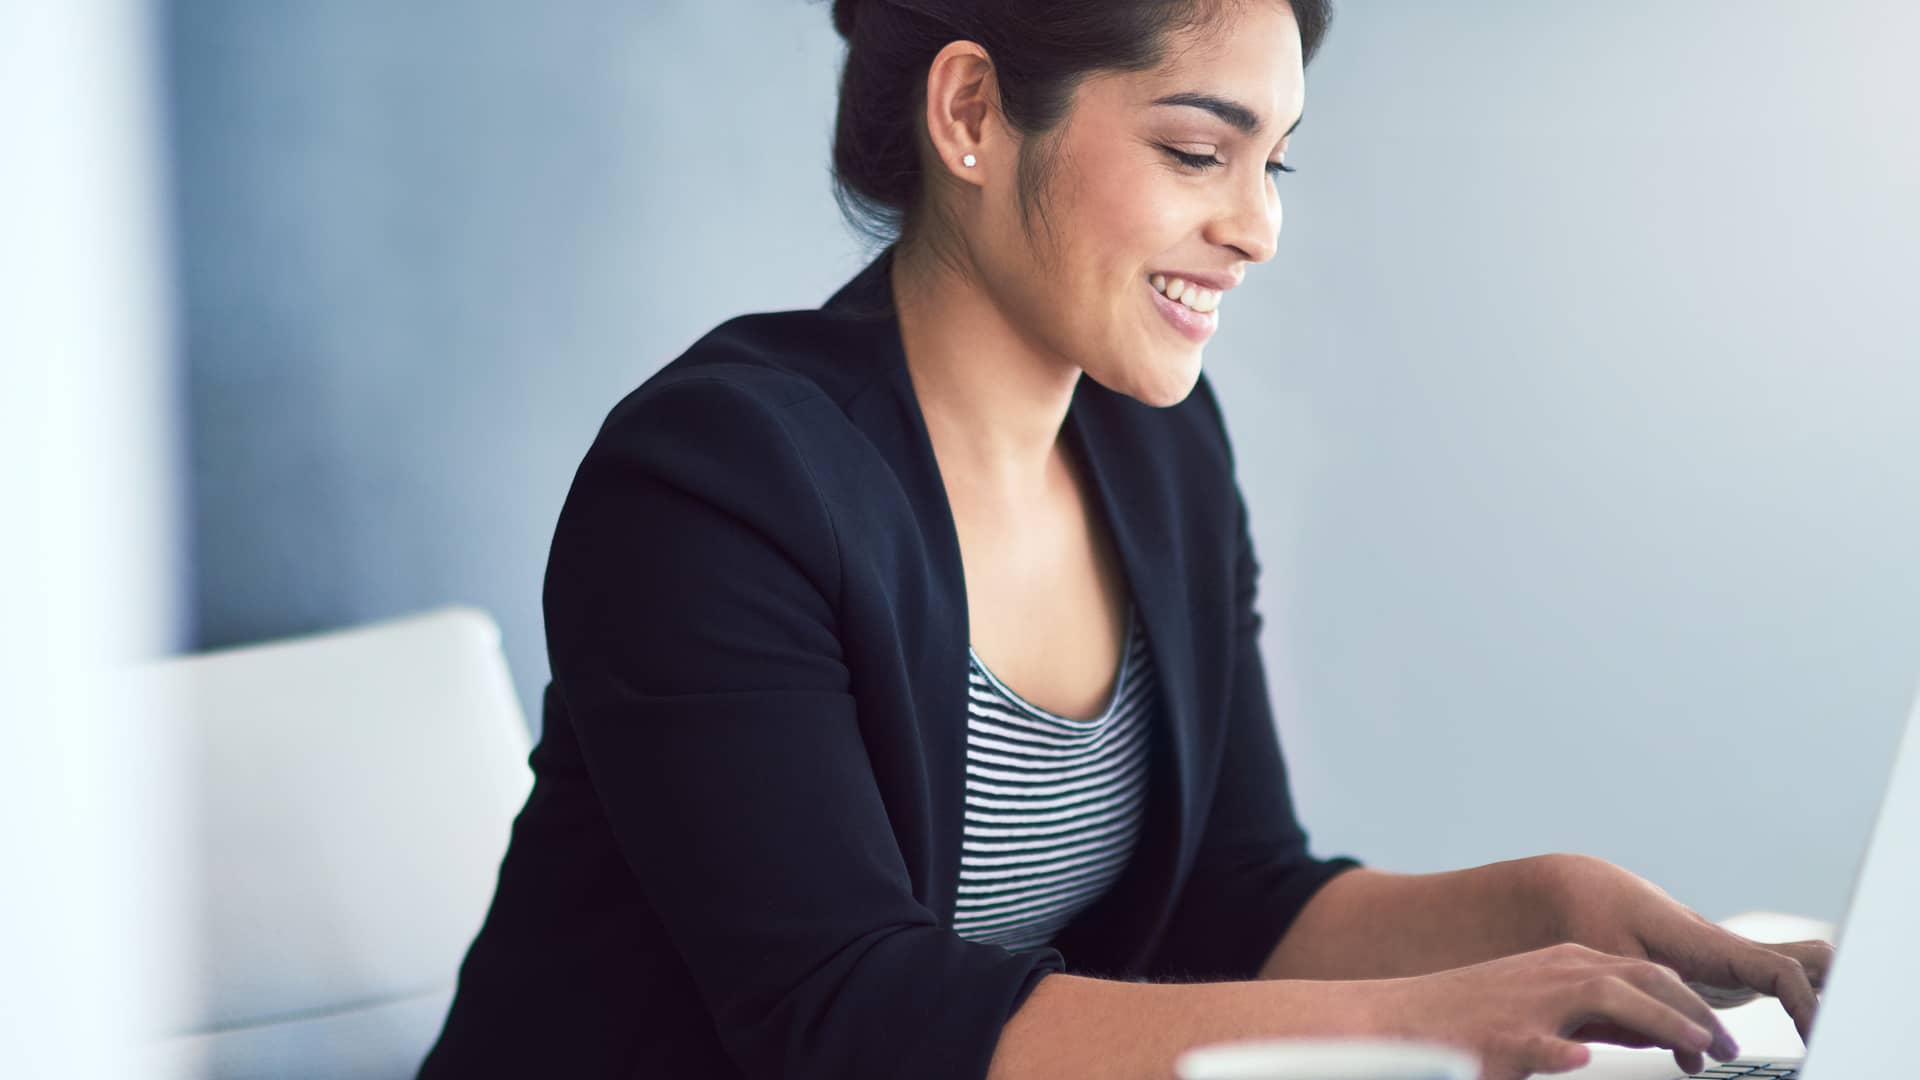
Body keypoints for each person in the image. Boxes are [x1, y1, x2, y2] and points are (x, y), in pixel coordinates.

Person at [417, 2, 1832, 1078]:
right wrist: (1432, 1025)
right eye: (1197, 151)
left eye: (1273, 163)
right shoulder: (716, 481)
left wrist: (1562, 911)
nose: (1257, 227)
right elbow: (844, 1010)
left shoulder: (1159, 447)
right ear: (970, 112)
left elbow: (1237, 898)